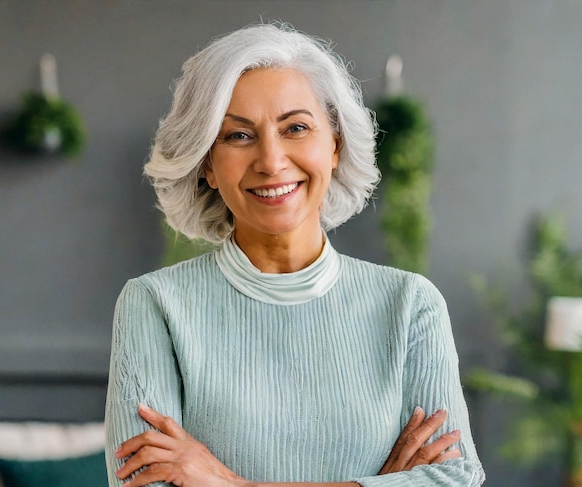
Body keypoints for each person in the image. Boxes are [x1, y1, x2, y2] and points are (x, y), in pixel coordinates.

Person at [104, 22, 485, 487]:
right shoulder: (155, 306)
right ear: (207, 163)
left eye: (296, 128)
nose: (271, 160)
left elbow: (455, 479)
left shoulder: (409, 304)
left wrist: (227, 483)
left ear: (335, 147)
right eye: (238, 136)